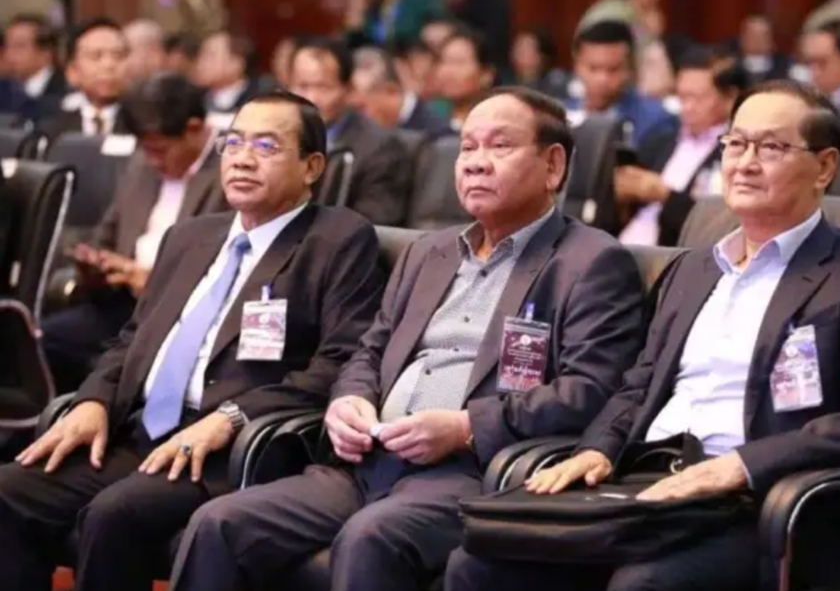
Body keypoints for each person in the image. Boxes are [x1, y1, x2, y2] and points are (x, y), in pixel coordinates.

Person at [446, 78, 840, 591]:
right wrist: (599, 448)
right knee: (478, 563)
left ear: (825, 166)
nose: (744, 163)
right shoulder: (694, 269)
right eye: (735, 144)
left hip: (760, 499)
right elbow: (639, 384)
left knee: (644, 584)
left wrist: (740, 466)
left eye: (770, 147)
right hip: (651, 480)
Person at [168, 86, 647, 591]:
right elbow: (369, 350)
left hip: (469, 475)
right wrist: (351, 399)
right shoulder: (429, 252)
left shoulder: (590, 262)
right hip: (365, 464)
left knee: (370, 537)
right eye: (467, 147)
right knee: (218, 523)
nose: (475, 163)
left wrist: (465, 427)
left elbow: (588, 390)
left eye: (499, 146)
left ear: (553, 165)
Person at [0, 88, 387, 591]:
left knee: (114, 513)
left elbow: (338, 362)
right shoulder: (190, 236)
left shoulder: (337, 239)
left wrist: (230, 418)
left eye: (266, 146)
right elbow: (134, 338)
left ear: (312, 166)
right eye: (233, 142)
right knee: (9, 489)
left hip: (231, 449)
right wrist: (94, 399)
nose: (242, 159)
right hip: (142, 430)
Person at [40, 73, 230, 393]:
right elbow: (106, 235)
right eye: (146, 149)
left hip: (182, 314)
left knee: (117, 359)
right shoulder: (142, 163)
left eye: (160, 150)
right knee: (45, 338)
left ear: (194, 129)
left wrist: (151, 280)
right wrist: (95, 263)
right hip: (123, 302)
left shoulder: (230, 171)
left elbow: (226, 264)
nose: (152, 159)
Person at [617, 48, 743, 247]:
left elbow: (719, 224)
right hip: (624, 243)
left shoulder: (736, 152)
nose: (687, 107)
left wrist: (665, 196)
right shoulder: (661, 139)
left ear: (730, 99)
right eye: (682, 97)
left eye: (698, 98)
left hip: (676, 251)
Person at [290, 36, 411, 226]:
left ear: (348, 90)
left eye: (323, 87)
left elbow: (374, 225)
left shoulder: (379, 147)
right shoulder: (279, 138)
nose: (311, 98)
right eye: (302, 86)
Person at [566, 20, 678, 146]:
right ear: (576, 66)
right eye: (593, 68)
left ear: (631, 69)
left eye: (613, 69)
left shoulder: (656, 121)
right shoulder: (561, 115)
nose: (602, 79)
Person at [37, 17, 133, 141]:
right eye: (96, 56)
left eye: (118, 56)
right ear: (72, 71)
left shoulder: (146, 127)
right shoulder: (52, 133)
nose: (109, 65)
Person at [351, 46, 451, 138]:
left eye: (361, 108)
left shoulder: (438, 134)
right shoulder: (360, 134)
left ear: (390, 91)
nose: (358, 117)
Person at [3, 13, 68, 122]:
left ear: (46, 52)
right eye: (7, 46)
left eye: (19, 46)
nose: (9, 54)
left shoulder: (66, 91)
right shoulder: (5, 90)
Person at [435, 26, 497, 131]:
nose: (448, 71)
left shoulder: (496, 123)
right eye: (443, 61)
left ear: (486, 75)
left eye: (458, 62)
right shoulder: (431, 115)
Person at [195, 29, 259, 114]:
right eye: (201, 55)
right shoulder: (193, 100)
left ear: (236, 63)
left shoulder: (258, 101)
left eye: (210, 55)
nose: (201, 62)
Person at [737, 15, 790, 84]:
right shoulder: (730, 68)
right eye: (753, 35)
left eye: (763, 35)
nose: (758, 40)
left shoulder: (787, 67)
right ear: (742, 38)